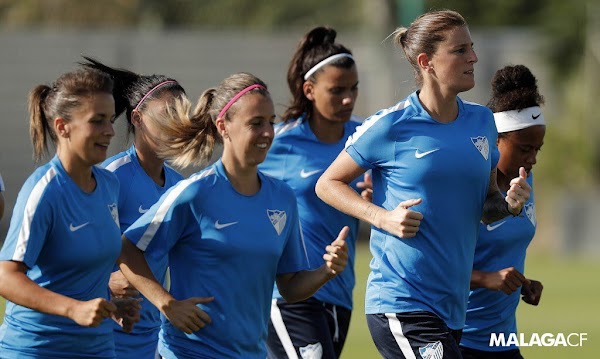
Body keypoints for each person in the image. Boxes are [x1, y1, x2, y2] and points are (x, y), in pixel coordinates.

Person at [315, 10, 532, 359]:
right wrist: (382, 218)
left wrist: (509, 204)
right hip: (401, 300)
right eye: (460, 50)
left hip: (451, 305)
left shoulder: (482, 122)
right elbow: (327, 183)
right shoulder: (390, 126)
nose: (473, 57)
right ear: (426, 62)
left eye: (472, 48)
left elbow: (486, 209)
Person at [116, 72, 350, 359]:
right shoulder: (193, 193)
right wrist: (167, 304)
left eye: (270, 122)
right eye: (255, 123)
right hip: (189, 353)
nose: (267, 132)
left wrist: (326, 271)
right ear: (223, 127)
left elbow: (290, 287)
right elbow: (128, 249)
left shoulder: (283, 198)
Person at [0, 67, 139, 358]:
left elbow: (89, 265)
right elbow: (6, 276)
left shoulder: (109, 185)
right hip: (39, 349)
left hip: (98, 347)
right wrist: (73, 309)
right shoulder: (45, 190)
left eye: (111, 120)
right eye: (97, 121)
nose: (110, 131)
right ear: (63, 127)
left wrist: (111, 304)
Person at [259, 26, 361, 359]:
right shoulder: (279, 142)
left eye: (353, 89)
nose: (348, 99)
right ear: (310, 90)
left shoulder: (366, 139)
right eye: (337, 90)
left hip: (340, 292)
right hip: (289, 294)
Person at [81, 57, 186, 359]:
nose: (177, 123)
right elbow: (74, 251)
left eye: (181, 114)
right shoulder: (113, 177)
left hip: (151, 335)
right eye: (167, 114)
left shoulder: (181, 186)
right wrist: (107, 281)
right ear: (137, 118)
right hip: (103, 332)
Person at [460, 65, 545, 359]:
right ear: (495, 141)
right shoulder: (466, 185)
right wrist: (486, 279)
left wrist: (521, 282)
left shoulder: (524, 180)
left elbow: (500, 253)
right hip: (459, 338)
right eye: (524, 148)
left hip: (502, 341)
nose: (532, 158)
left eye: (537, 148)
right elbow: (431, 265)